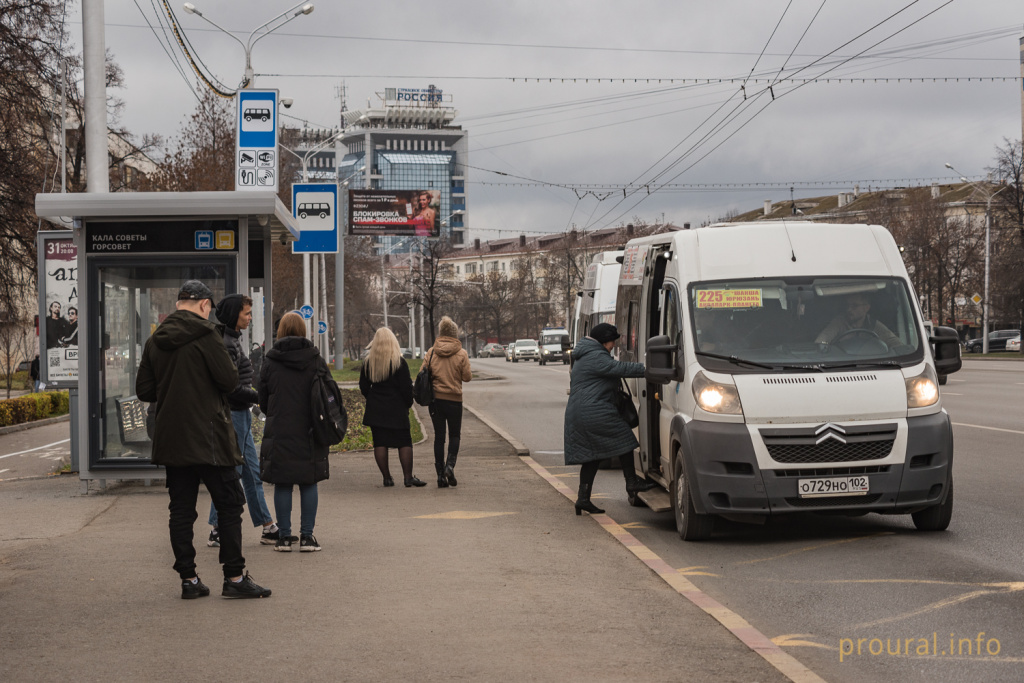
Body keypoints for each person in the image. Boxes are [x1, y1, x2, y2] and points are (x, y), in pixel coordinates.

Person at [136, 280, 271, 600]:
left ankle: (189, 579)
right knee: (230, 504)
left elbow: (145, 390)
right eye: (209, 307)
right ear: (202, 305)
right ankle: (234, 577)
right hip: (210, 436)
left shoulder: (156, 340)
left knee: (181, 509)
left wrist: (174, 391)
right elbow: (228, 380)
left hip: (172, 438)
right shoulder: (208, 335)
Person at [206, 294, 279, 550]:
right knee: (233, 473)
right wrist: (260, 397)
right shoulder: (226, 343)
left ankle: (268, 525)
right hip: (233, 414)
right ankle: (216, 529)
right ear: (234, 314)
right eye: (246, 313)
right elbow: (232, 387)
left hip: (241, 413)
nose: (250, 318)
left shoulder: (233, 339)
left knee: (250, 472)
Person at [563, 323, 656, 515]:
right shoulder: (596, 356)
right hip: (593, 410)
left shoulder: (586, 354)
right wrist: (649, 370)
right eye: (612, 341)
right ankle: (631, 483)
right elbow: (619, 368)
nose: (613, 345)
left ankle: (583, 499)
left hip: (579, 411)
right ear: (604, 341)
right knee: (625, 439)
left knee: (592, 457)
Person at [258, 312, 330, 552]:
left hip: (280, 430)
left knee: (283, 483)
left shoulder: (270, 360)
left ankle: (284, 538)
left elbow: (263, 400)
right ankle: (307, 537)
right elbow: (327, 394)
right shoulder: (315, 359)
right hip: (310, 430)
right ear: (303, 331)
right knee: (309, 482)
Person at [359, 327, 425, 487]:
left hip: (376, 408)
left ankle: (387, 478)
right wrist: (407, 404)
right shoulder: (399, 362)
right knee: (404, 441)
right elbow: (406, 387)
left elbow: (363, 386)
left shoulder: (369, 362)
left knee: (380, 442)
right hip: (396, 407)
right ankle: (408, 477)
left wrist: (373, 398)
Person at [424, 316, 472, 488]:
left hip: (436, 400)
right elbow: (467, 377)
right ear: (454, 333)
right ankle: (450, 466)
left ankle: (439, 476)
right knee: (454, 435)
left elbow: (423, 373)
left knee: (439, 438)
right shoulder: (461, 353)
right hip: (454, 400)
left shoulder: (431, 352)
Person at [815, 292, 902, 348]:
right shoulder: (839, 322)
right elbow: (821, 341)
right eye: (848, 305)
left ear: (866, 308)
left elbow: (896, 344)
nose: (849, 309)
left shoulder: (873, 324)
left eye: (854, 306)